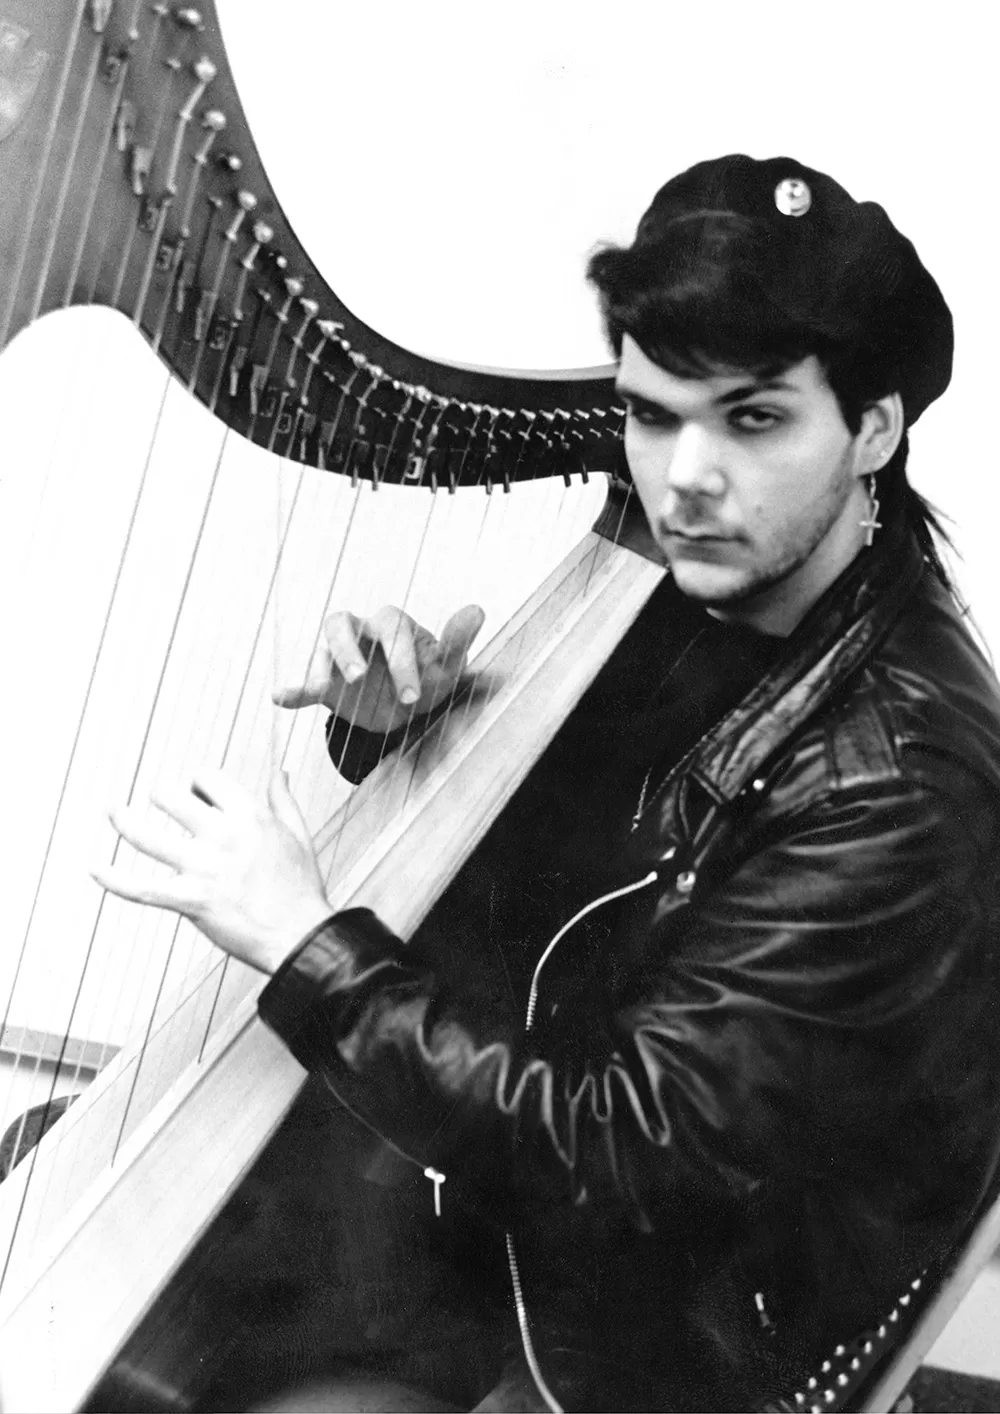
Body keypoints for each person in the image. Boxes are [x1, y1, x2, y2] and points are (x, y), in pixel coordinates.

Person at [95, 154, 1000, 1413]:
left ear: (875, 429)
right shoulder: (722, 593)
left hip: (650, 1342)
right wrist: (408, 731)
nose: (681, 477)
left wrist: (304, 937)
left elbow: (617, 1156)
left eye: (750, 419)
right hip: (527, 1238)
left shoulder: (896, 782)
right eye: (647, 412)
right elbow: (600, 896)